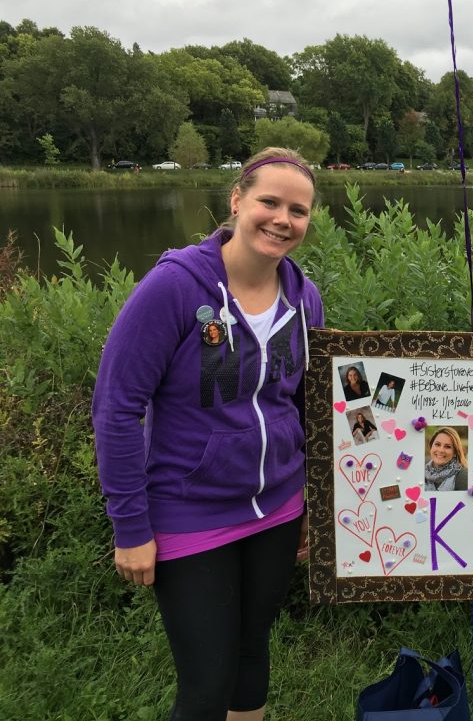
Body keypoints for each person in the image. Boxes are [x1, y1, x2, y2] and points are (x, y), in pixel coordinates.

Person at [93, 147, 324, 721]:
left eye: (298, 211)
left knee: (252, 656)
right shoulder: (173, 287)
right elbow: (117, 409)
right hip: (189, 511)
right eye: (269, 202)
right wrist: (130, 527)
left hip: (278, 508)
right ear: (237, 200)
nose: (282, 220)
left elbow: (307, 404)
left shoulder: (303, 297)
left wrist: (320, 502)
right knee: (207, 680)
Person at [424, 427, 469, 492]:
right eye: (437, 444)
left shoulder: (463, 476)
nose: (441, 450)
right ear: (431, 446)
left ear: (455, 452)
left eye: (447, 446)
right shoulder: (421, 468)